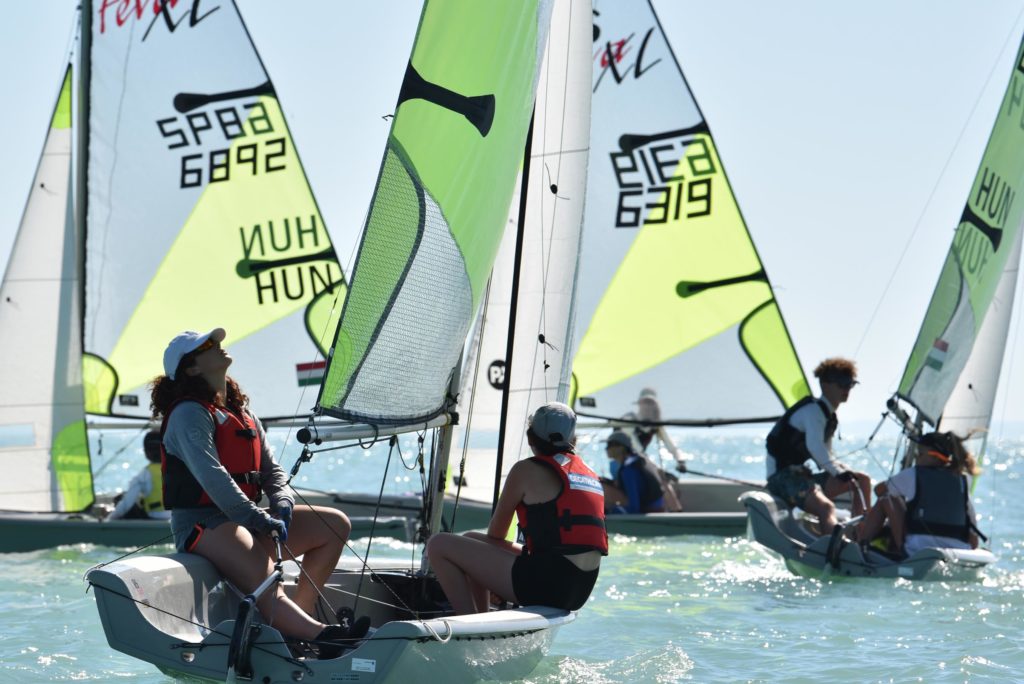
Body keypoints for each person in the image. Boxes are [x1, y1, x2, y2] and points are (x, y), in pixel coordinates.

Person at [152, 327, 362, 658]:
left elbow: (271, 470)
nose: (218, 345)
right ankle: (325, 637)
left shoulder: (243, 414)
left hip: (245, 521)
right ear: (190, 368)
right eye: (207, 346)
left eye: (217, 341)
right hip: (204, 525)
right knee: (267, 581)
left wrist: (282, 501)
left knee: (334, 525)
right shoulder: (188, 414)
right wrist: (258, 519)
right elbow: (213, 477)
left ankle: (297, 623)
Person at [425, 402, 607, 615]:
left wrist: (496, 579)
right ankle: (482, 616)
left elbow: (496, 534)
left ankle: (469, 620)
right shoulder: (589, 474)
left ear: (530, 439)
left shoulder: (524, 470)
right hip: (580, 589)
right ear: (573, 440)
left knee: (438, 544)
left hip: (549, 585)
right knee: (472, 538)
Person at [764, 357, 872, 532]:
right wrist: (838, 472)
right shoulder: (812, 412)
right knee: (826, 508)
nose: (846, 389)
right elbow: (815, 448)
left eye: (850, 384)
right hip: (781, 480)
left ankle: (862, 536)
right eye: (841, 383)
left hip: (801, 476)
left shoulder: (829, 417)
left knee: (862, 480)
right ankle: (835, 547)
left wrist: (844, 470)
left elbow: (828, 454)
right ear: (825, 385)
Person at [857, 431, 983, 556]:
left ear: (936, 456)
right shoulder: (962, 480)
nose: (916, 458)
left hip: (917, 549)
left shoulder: (913, 474)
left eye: (920, 454)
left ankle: (860, 547)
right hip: (957, 550)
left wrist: (903, 504)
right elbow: (973, 535)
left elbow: (879, 490)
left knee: (886, 499)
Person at [107, 431, 170, 520]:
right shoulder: (176, 470)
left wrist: (108, 520)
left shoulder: (144, 475)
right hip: (174, 519)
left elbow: (126, 505)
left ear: (146, 452)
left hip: (154, 519)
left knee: (120, 499)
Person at [603, 430, 667, 514]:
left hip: (649, 514)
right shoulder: (637, 461)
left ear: (622, 447)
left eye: (610, 445)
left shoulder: (628, 471)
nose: (606, 448)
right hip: (657, 509)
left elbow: (634, 508)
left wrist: (610, 510)